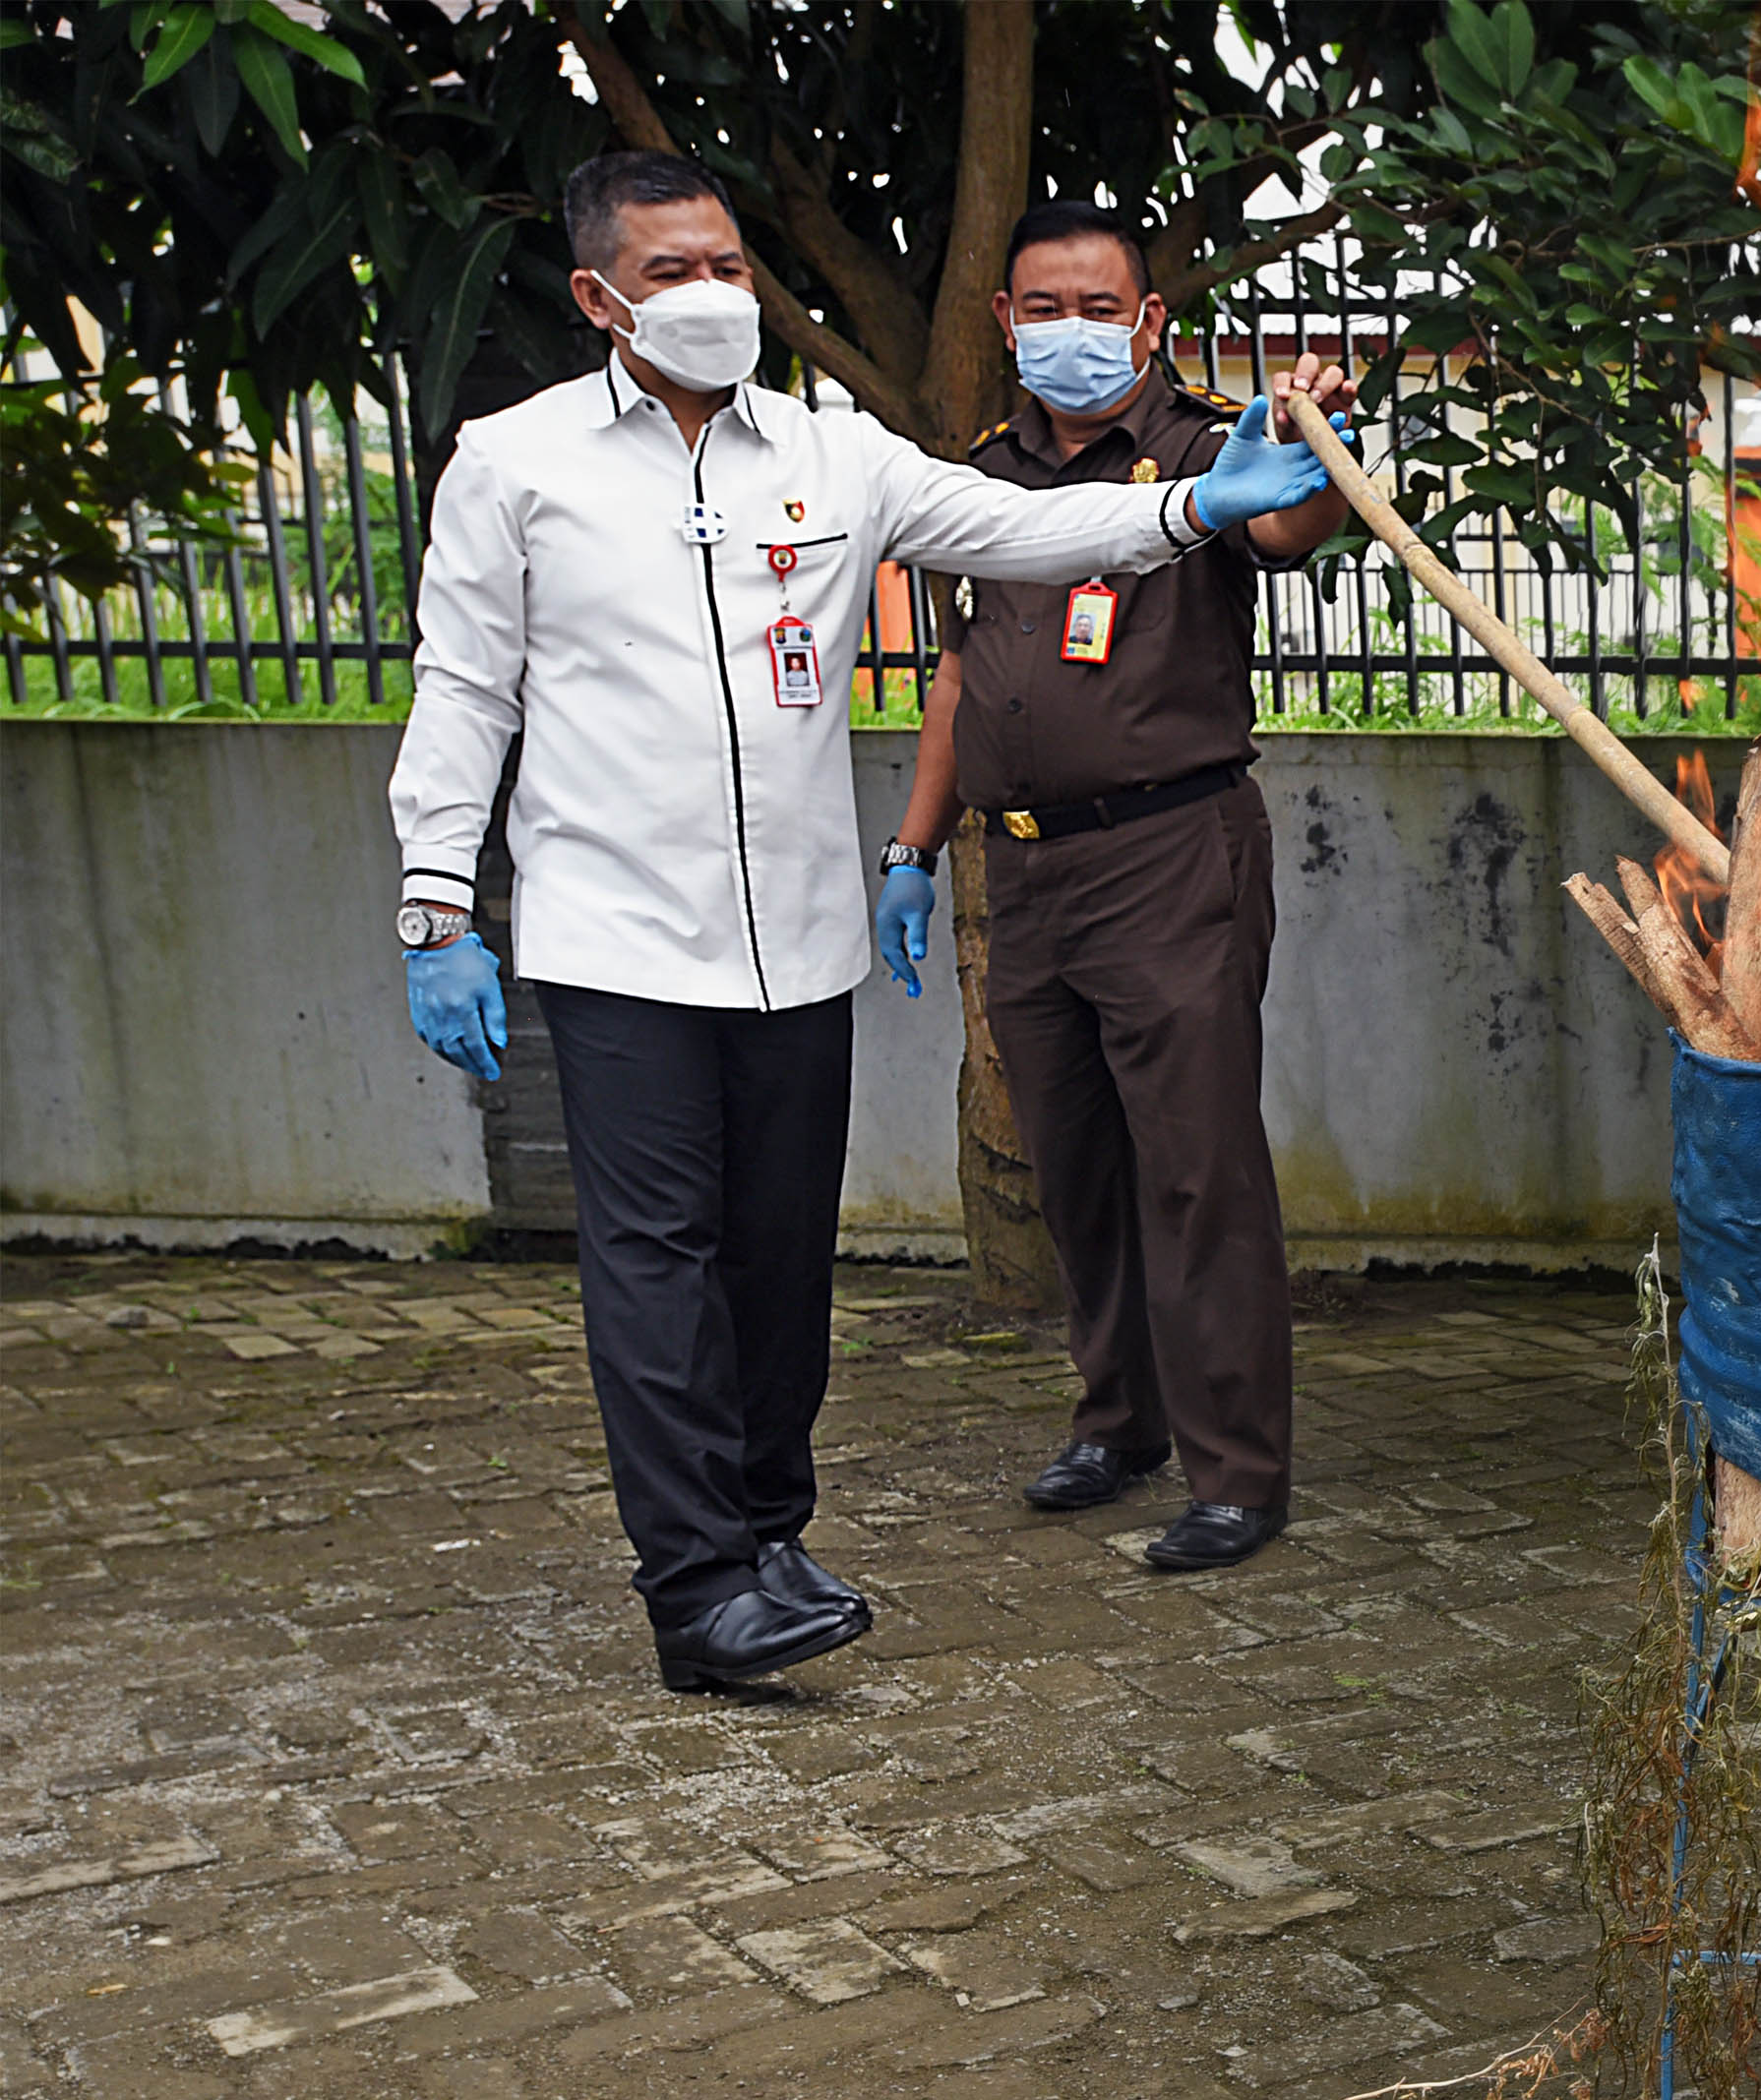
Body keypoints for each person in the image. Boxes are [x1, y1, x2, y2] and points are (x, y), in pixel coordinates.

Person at [390, 151, 1344, 1694]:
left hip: (795, 939)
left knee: (778, 1263)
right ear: (595, 298)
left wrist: (1186, 509)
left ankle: (768, 1531)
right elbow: (463, 688)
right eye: (669, 274)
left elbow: (1017, 532)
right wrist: (438, 903)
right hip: (616, 941)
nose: (712, 296)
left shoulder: (836, 456)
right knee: (657, 1263)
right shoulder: (516, 462)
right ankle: (697, 1587)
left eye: (727, 266)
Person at [880, 204, 1349, 1571]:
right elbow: (958, 676)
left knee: (1197, 1168)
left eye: (1101, 308)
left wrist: (1311, 442)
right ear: (1004, 320)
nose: (1070, 331)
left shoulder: (1208, 453)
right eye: (1043, 307)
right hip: (1021, 865)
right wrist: (913, 851)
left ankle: (1236, 1471)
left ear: (1148, 322)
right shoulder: (983, 476)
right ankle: (1119, 1419)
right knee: (1073, 1164)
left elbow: (1290, 531)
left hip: (1169, 854)